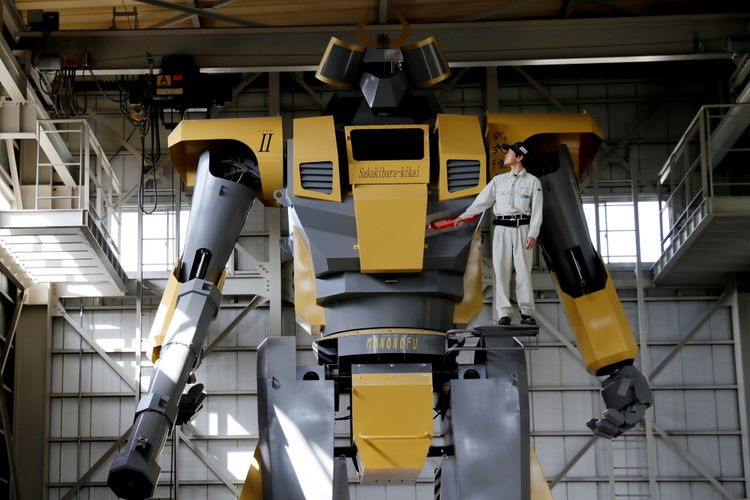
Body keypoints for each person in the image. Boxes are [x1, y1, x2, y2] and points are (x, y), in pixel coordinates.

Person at [457, 142, 543, 326]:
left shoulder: (533, 182)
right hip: (502, 229)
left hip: (523, 229)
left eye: (509, 153)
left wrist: (533, 233)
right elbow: (482, 202)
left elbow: (537, 210)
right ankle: (504, 313)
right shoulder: (498, 181)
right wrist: (464, 216)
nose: (505, 155)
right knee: (501, 270)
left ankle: (526, 312)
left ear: (519, 157)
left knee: (523, 271)